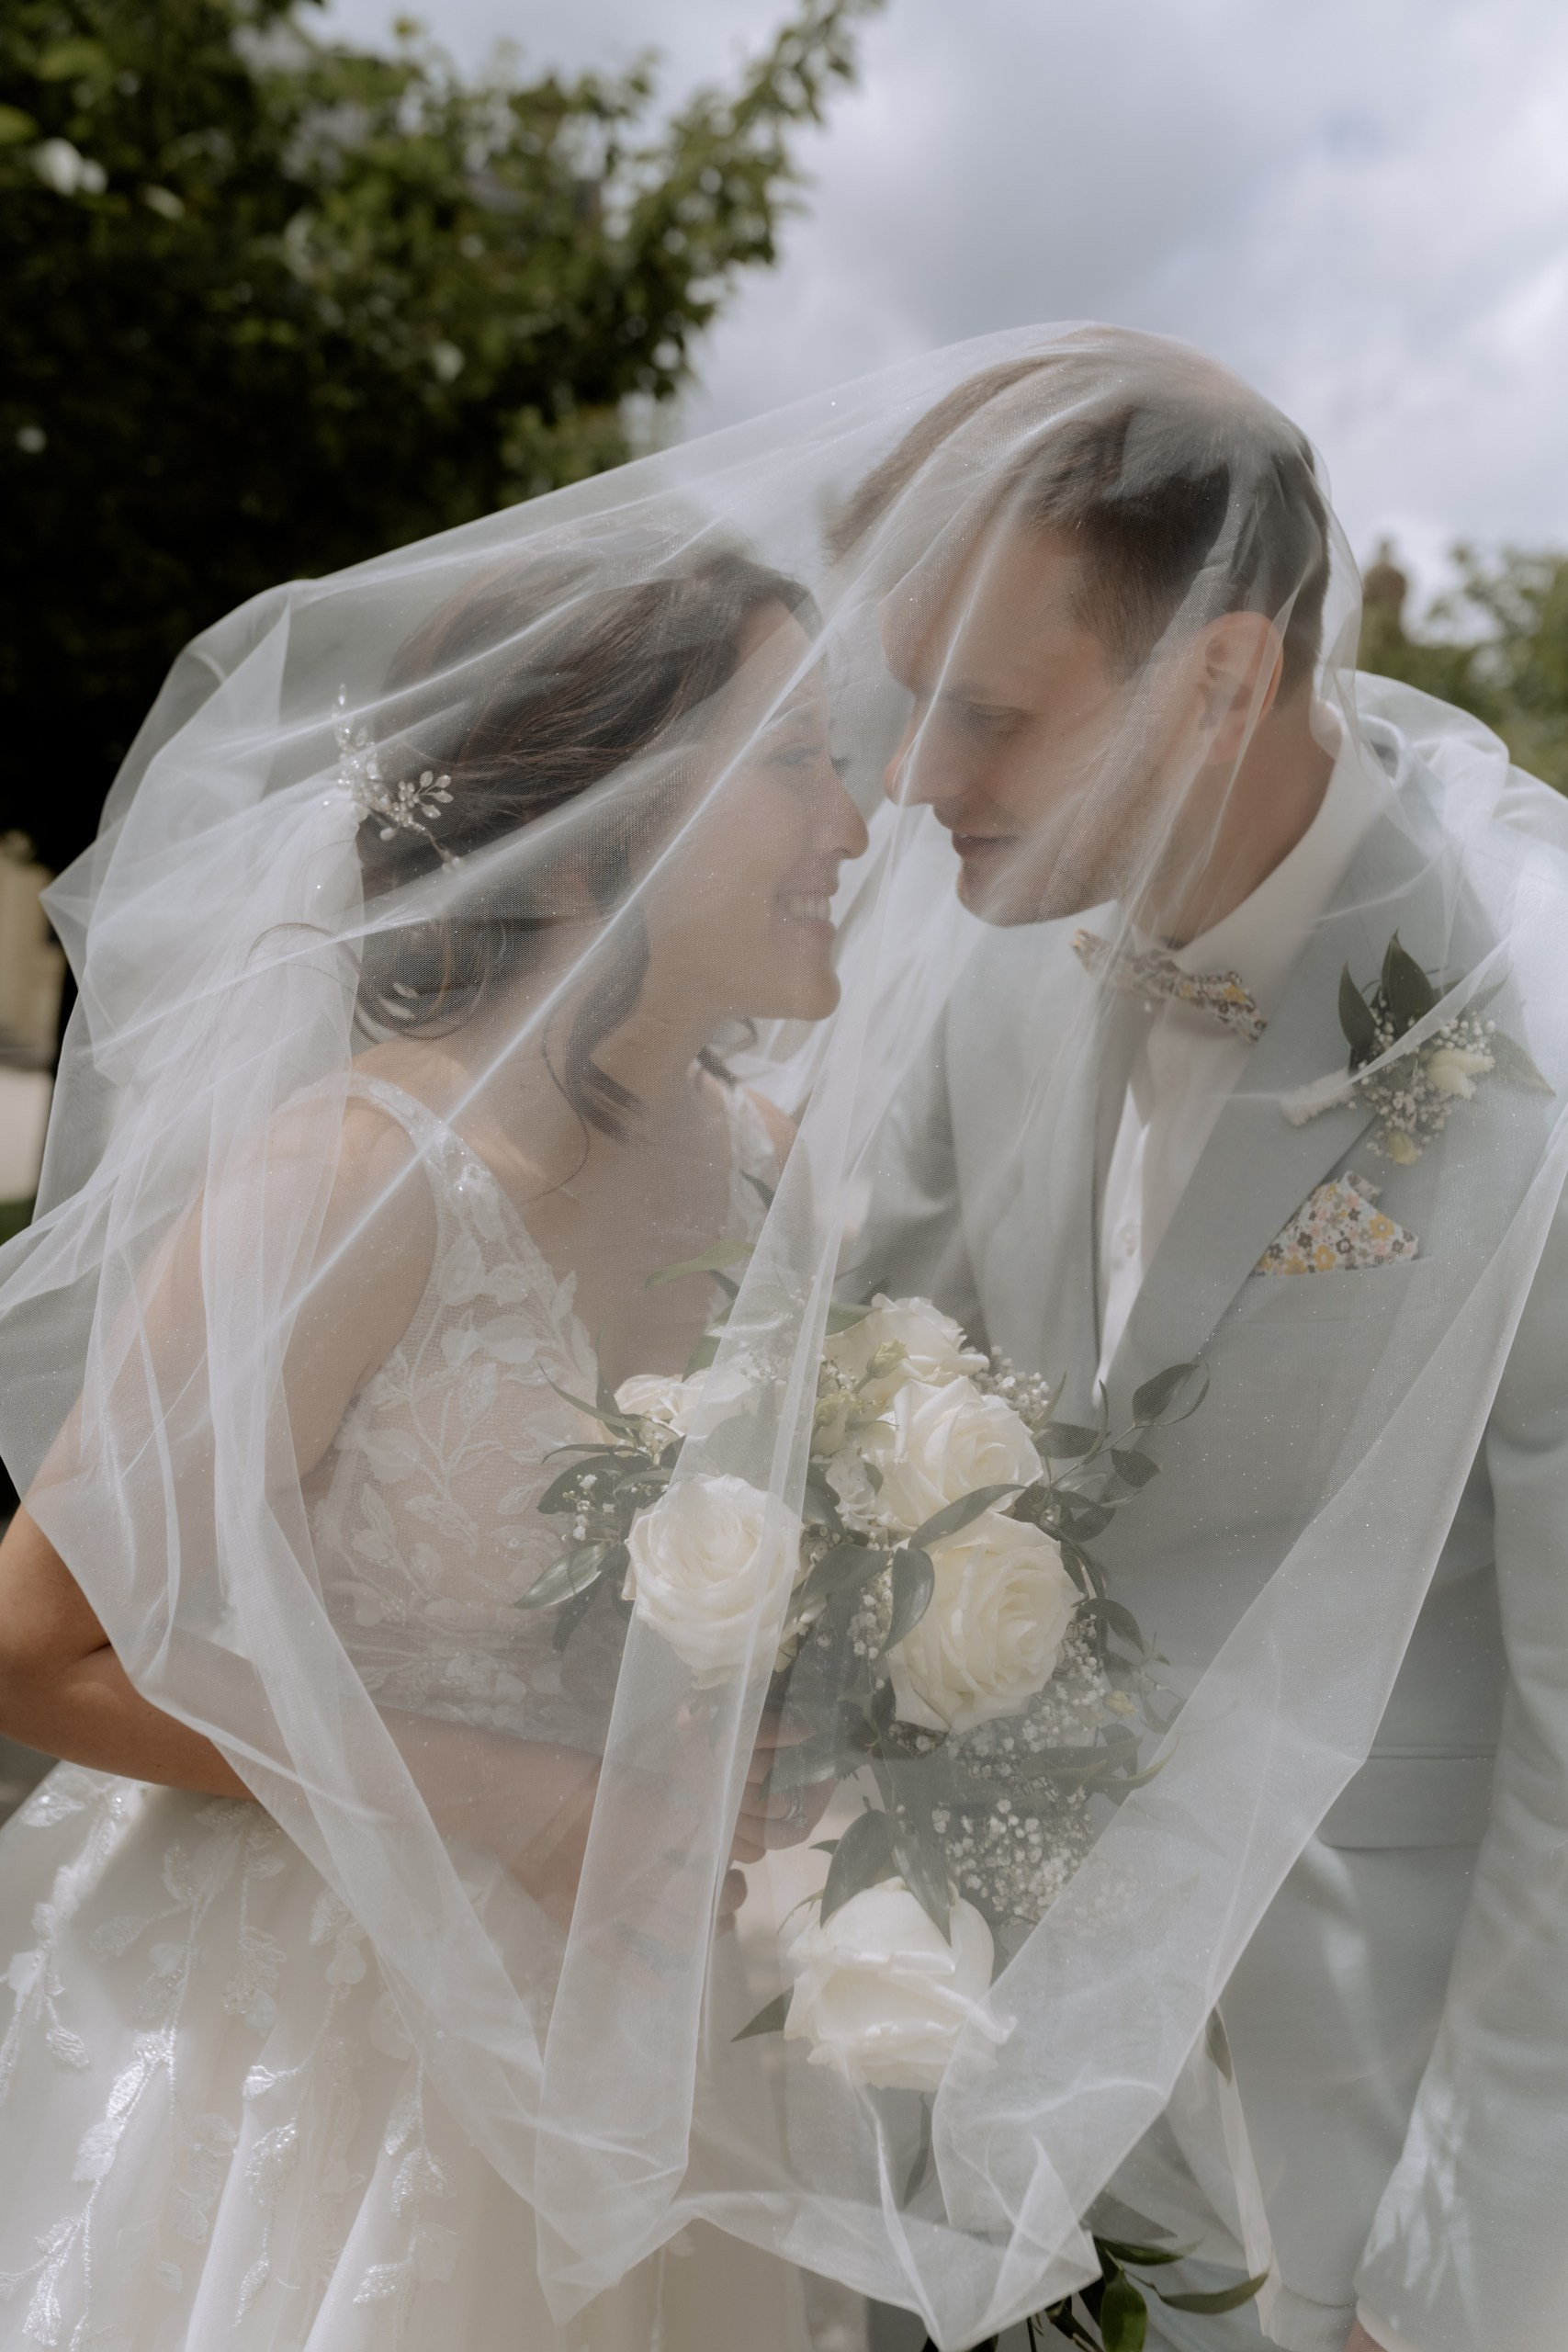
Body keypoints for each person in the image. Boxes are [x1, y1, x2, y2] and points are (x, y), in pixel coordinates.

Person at [0, 542, 867, 2349]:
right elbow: (37, 1647)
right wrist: (531, 1798)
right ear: (582, 838)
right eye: (793, 758)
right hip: (314, 2047)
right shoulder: (349, 1182)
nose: (856, 822)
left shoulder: (774, 1169)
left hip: (648, 2047)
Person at [847, 336, 1568, 2352]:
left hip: (1338, 2193)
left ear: (1222, 677)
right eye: (907, 706)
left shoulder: (1534, 1059)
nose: (916, 783)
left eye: (981, 715)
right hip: (950, 2115)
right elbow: (849, 1403)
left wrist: (1443, 2300)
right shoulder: (989, 964)